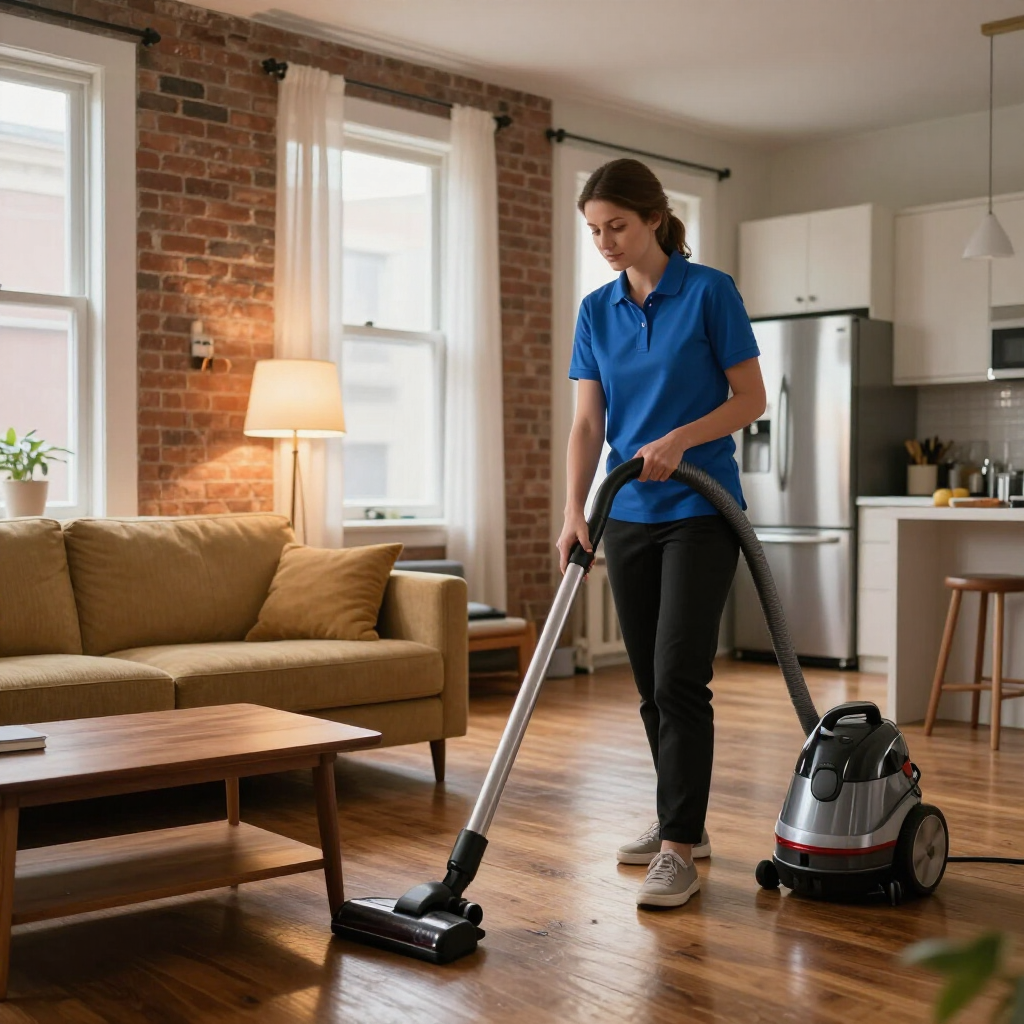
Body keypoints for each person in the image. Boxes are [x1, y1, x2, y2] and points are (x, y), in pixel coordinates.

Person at [557, 159, 766, 910]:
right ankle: (684, 822)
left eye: (616, 225)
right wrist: (575, 509)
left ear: (654, 219)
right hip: (628, 516)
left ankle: (677, 846)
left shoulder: (709, 291)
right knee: (649, 683)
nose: (605, 241)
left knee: (681, 674)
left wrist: (679, 438)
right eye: (593, 231)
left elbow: (751, 398)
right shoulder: (595, 310)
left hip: (702, 511)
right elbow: (589, 422)